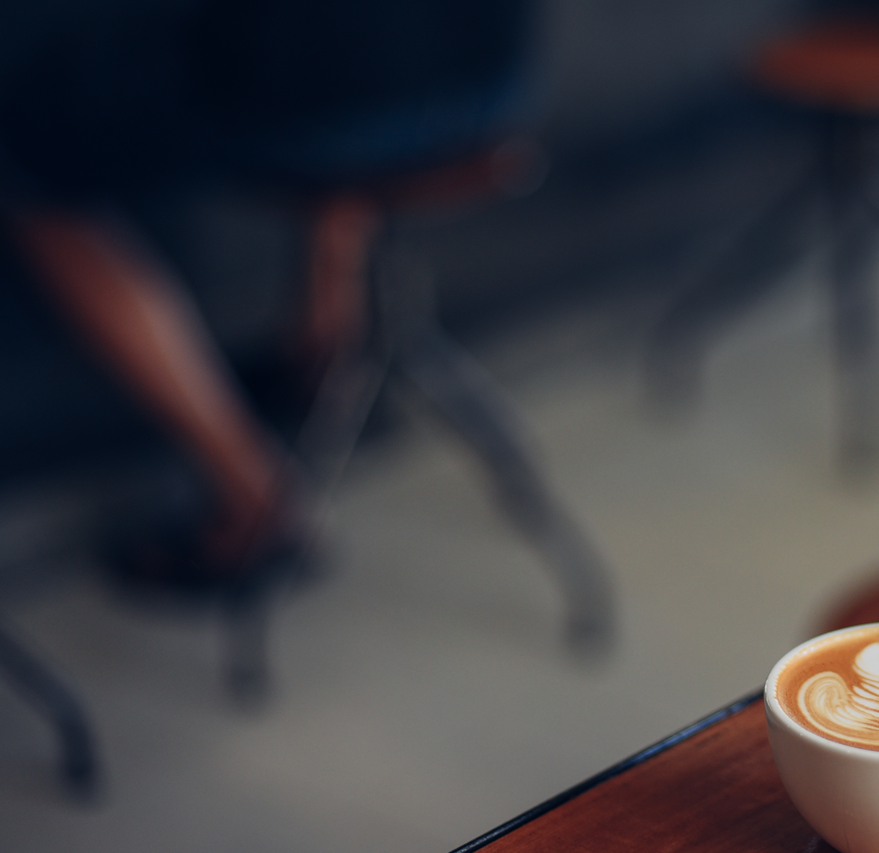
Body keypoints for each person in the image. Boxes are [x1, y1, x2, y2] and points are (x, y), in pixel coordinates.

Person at [0, 0, 525, 588]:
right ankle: (327, 338)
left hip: (314, 104)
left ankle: (256, 503)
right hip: (487, 84)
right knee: (347, 48)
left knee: (25, 167)